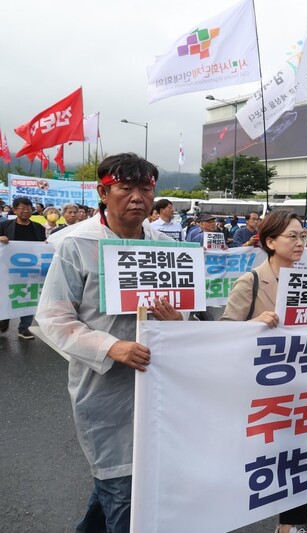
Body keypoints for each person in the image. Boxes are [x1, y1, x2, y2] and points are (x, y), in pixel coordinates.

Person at [36, 153, 183, 532]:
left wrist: (177, 320)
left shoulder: (167, 247)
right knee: (122, 486)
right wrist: (109, 347)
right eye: (126, 188)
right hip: (104, 388)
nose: (137, 197)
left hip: (158, 381)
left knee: (132, 480)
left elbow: (191, 314)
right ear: (104, 192)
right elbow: (53, 317)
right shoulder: (77, 245)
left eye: (145, 189)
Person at [221, 209, 307, 533]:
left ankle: (290, 524)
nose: (301, 242)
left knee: (302, 452)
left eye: (303, 235)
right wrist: (252, 325)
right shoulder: (251, 282)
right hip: (265, 391)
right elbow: (222, 335)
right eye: (292, 236)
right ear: (270, 241)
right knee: (270, 458)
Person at [0, 197, 47, 339]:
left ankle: (24, 327)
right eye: (22, 208)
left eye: (28, 208)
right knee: (7, 295)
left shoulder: (38, 228)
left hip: (32, 269)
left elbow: (42, 247)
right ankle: (4, 319)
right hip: (8, 268)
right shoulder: (5, 225)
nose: (26, 211)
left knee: (28, 297)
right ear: (14, 210)